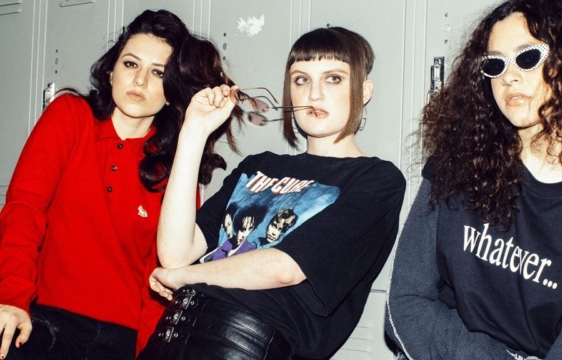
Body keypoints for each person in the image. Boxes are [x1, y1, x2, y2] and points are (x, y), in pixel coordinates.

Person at [385, 0, 562, 359]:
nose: (508, 76)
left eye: (527, 57)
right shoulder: (456, 165)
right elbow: (405, 303)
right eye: (495, 63)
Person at [138, 26, 406, 360]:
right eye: (301, 80)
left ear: (363, 90)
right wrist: (194, 132)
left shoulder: (377, 180)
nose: (314, 94)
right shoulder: (258, 166)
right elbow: (175, 253)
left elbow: (286, 266)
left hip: (247, 345)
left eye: (333, 78)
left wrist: (184, 277)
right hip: (170, 335)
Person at [0, 10, 241, 360]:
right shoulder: (70, 117)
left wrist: (147, 353)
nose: (140, 81)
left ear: (173, 91)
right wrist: (10, 299)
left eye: (158, 72)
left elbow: (162, 276)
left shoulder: (175, 164)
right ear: (112, 71)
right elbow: (24, 210)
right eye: (131, 64)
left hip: (121, 339)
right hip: (44, 319)